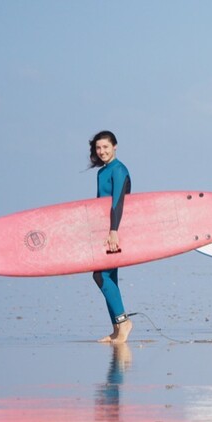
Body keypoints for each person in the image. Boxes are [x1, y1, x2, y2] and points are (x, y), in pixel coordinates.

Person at [90, 130, 133, 343]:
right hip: (106, 231)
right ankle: (117, 329)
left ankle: (124, 322)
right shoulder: (102, 172)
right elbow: (100, 205)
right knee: (110, 277)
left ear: (115, 146)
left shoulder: (119, 170)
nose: (102, 151)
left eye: (105, 147)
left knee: (100, 275)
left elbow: (118, 202)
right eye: (98, 148)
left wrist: (114, 231)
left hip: (116, 230)